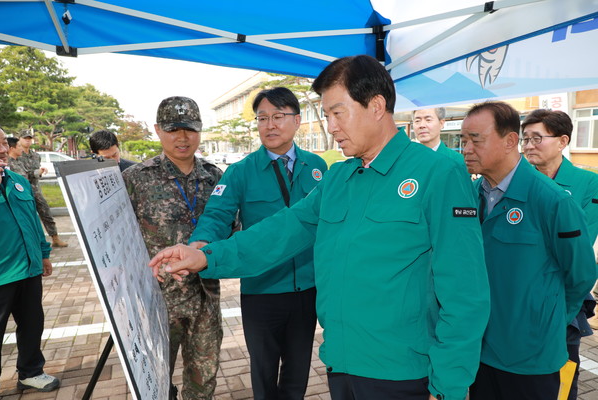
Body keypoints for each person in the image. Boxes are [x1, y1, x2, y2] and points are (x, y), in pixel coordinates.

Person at [150, 55, 491, 400]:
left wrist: (449, 387)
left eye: (338, 113)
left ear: (376, 106)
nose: (330, 127)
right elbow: (281, 231)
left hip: (402, 374)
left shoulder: (437, 174)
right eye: (327, 115)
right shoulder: (340, 178)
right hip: (341, 365)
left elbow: (465, 293)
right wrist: (205, 256)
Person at [188, 87, 327, 399]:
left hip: (307, 288)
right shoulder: (240, 171)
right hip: (262, 290)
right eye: (262, 118)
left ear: (297, 121)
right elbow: (217, 215)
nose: (269, 125)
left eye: (278, 117)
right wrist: (200, 244)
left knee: (298, 368)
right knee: (263, 370)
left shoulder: (318, 167)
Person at [460, 101, 596, 400]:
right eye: (463, 140)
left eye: (476, 140)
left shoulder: (551, 200)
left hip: (531, 357)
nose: (466, 149)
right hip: (480, 348)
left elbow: (581, 274)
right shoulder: (471, 196)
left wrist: (544, 320)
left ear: (509, 141)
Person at [123, 96, 223, 400]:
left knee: (203, 380)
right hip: (158, 301)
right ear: (157, 130)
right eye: (173, 129)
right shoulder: (136, 179)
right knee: (156, 378)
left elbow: (230, 228)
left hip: (205, 297)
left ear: (200, 130)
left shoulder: (215, 177)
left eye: (190, 129)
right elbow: (122, 241)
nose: (182, 138)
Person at [521, 108, 598, 400]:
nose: (528, 146)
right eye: (525, 139)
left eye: (537, 138)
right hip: (519, 300)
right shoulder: (515, 182)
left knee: (561, 381)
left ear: (562, 141)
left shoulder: (588, 183)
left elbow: (581, 250)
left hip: (565, 303)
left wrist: (564, 310)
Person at [0, 125, 60, 392]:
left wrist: (44, 254)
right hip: (1, 275)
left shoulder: (18, 180)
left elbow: (33, 221)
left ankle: (31, 371)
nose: (2, 149)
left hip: (28, 268)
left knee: (33, 323)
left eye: (2, 143)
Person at [16, 131, 68, 247]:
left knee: (46, 213)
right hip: (23, 190)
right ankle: (34, 242)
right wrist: (36, 173)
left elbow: (35, 172)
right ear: (19, 139)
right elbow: (22, 174)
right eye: (25, 138)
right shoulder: (17, 155)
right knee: (29, 217)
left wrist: (39, 172)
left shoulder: (36, 156)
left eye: (30, 138)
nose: (28, 141)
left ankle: (55, 238)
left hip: (36, 189)